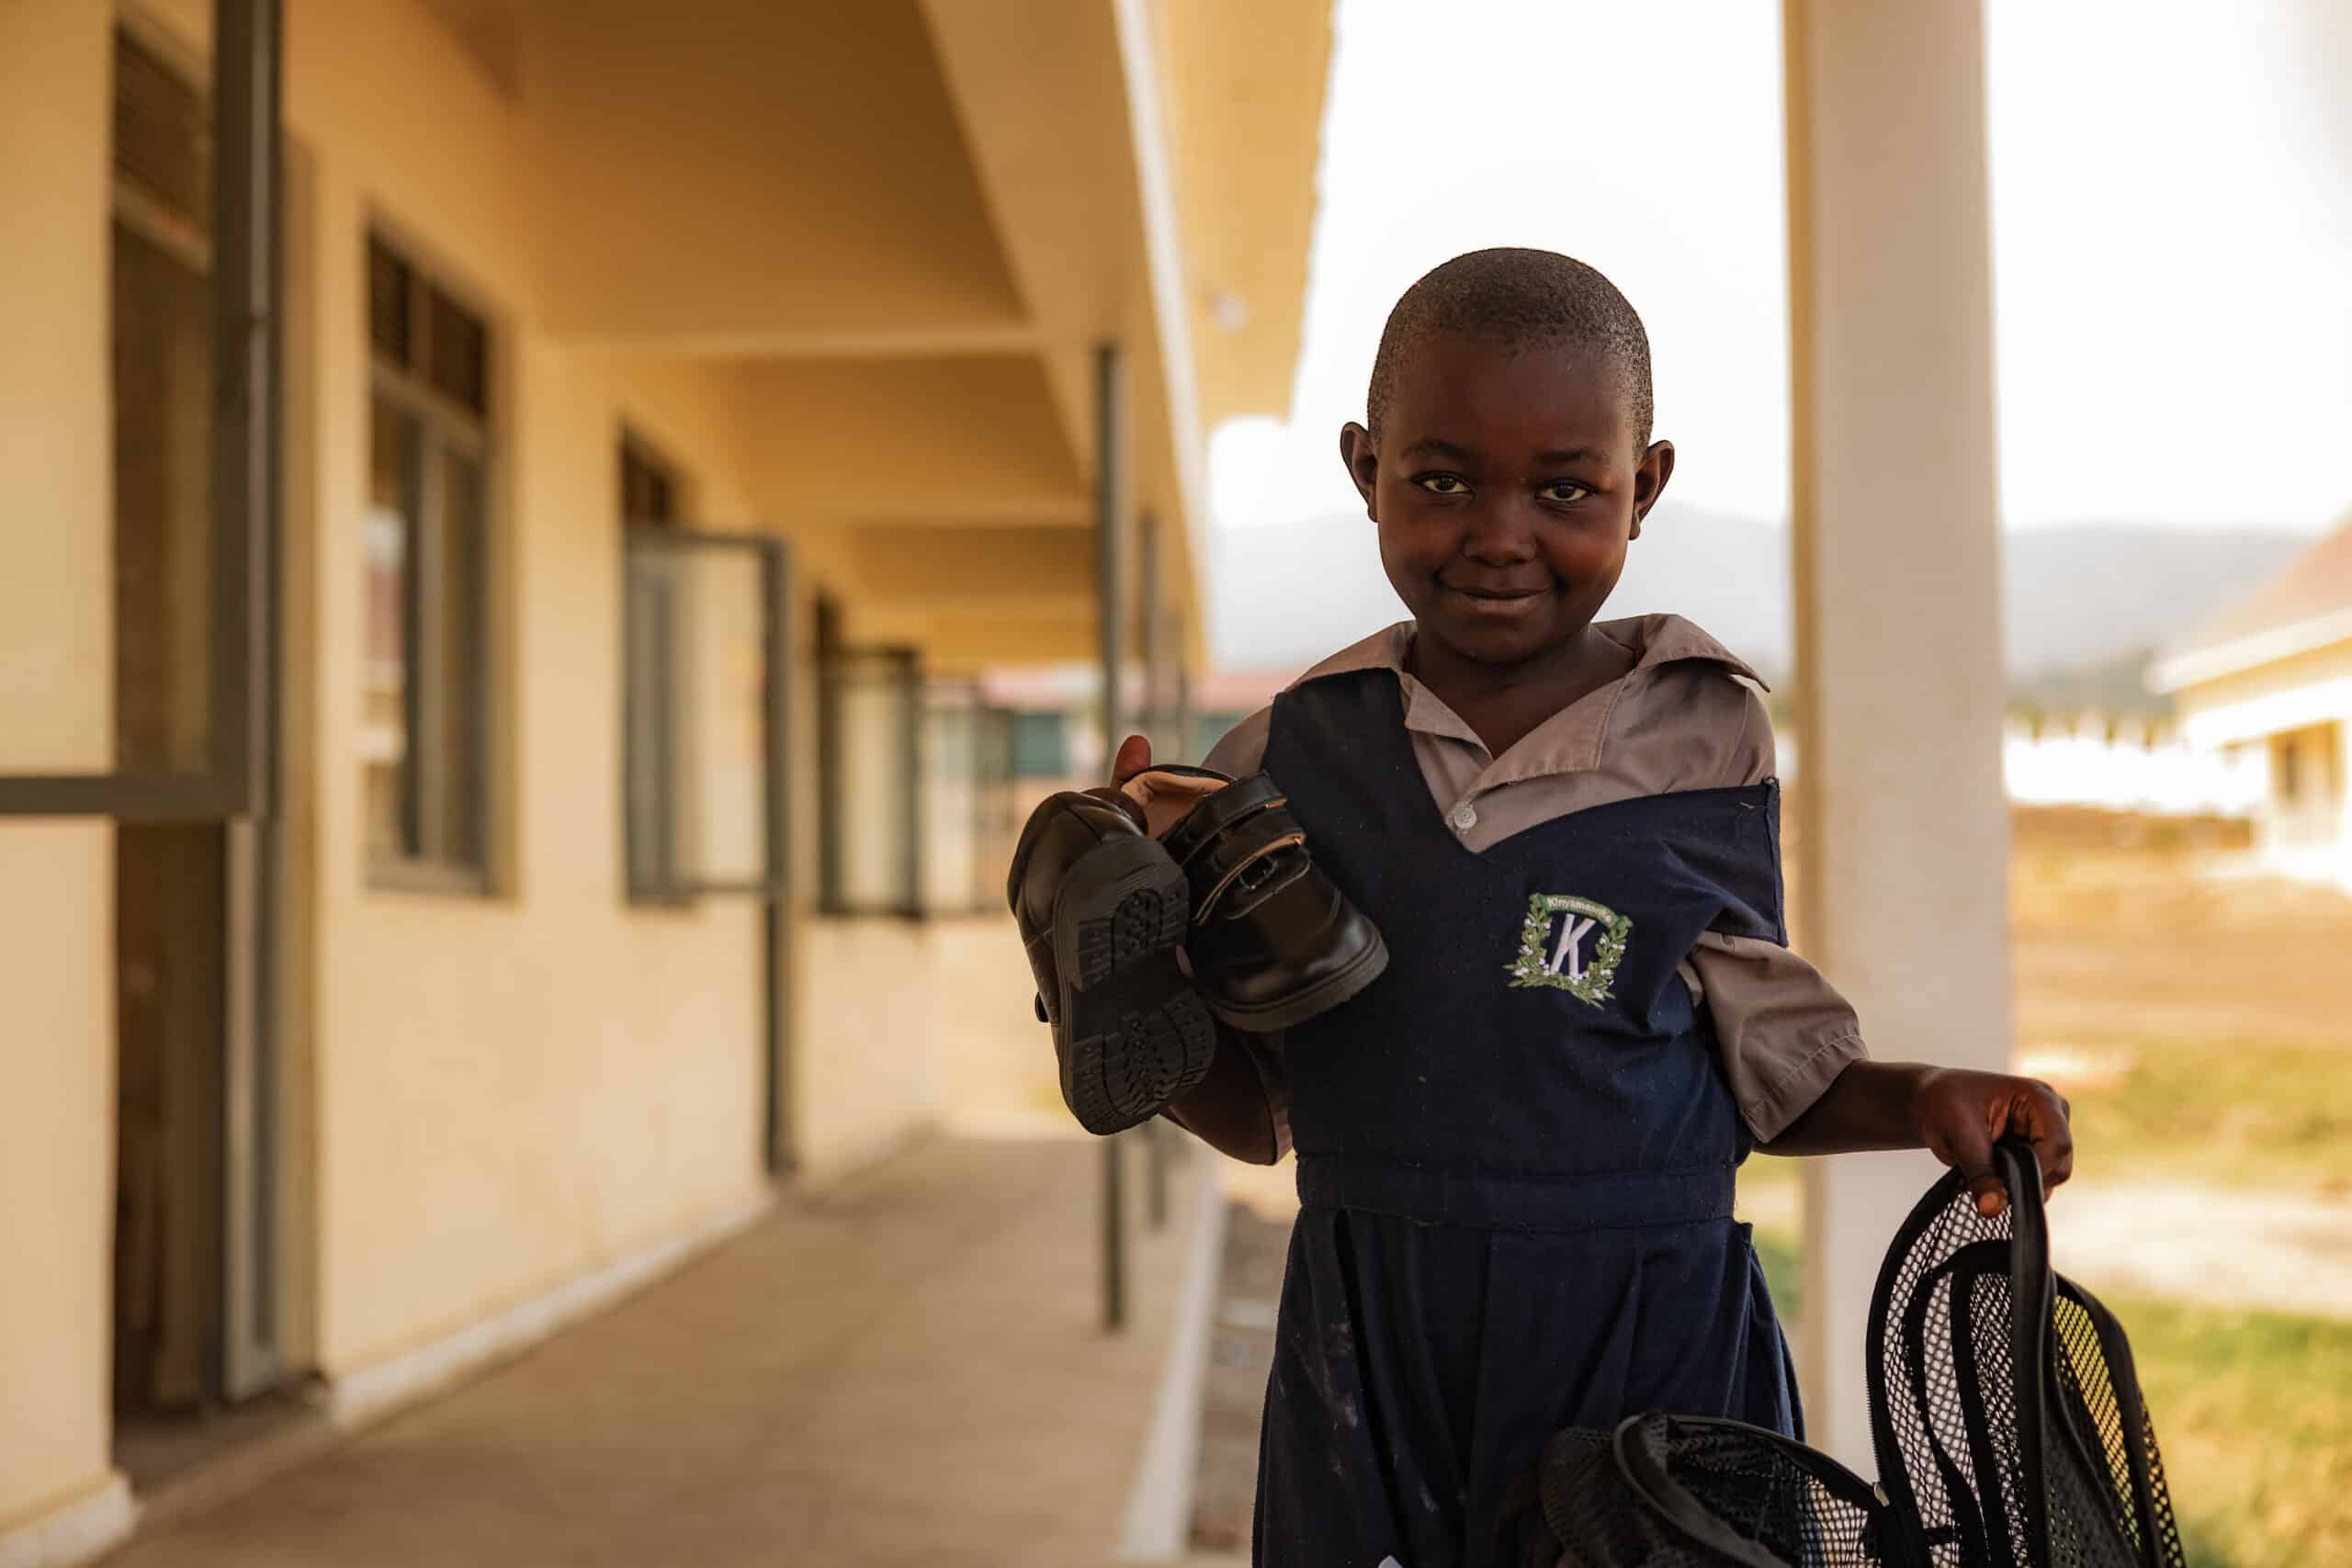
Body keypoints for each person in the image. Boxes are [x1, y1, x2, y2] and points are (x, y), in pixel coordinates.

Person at [1096, 249, 2074, 1567]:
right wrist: (1124, 968)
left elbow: (1765, 1077)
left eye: (1565, 490)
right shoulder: (1283, 761)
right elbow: (1255, 1114)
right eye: (1442, 481)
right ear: (1365, 470)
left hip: (1646, 1352)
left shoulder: (1704, 737)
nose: (1501, 535)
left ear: (1644, 488)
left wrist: (1925, 1098)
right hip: (1370, 1355)